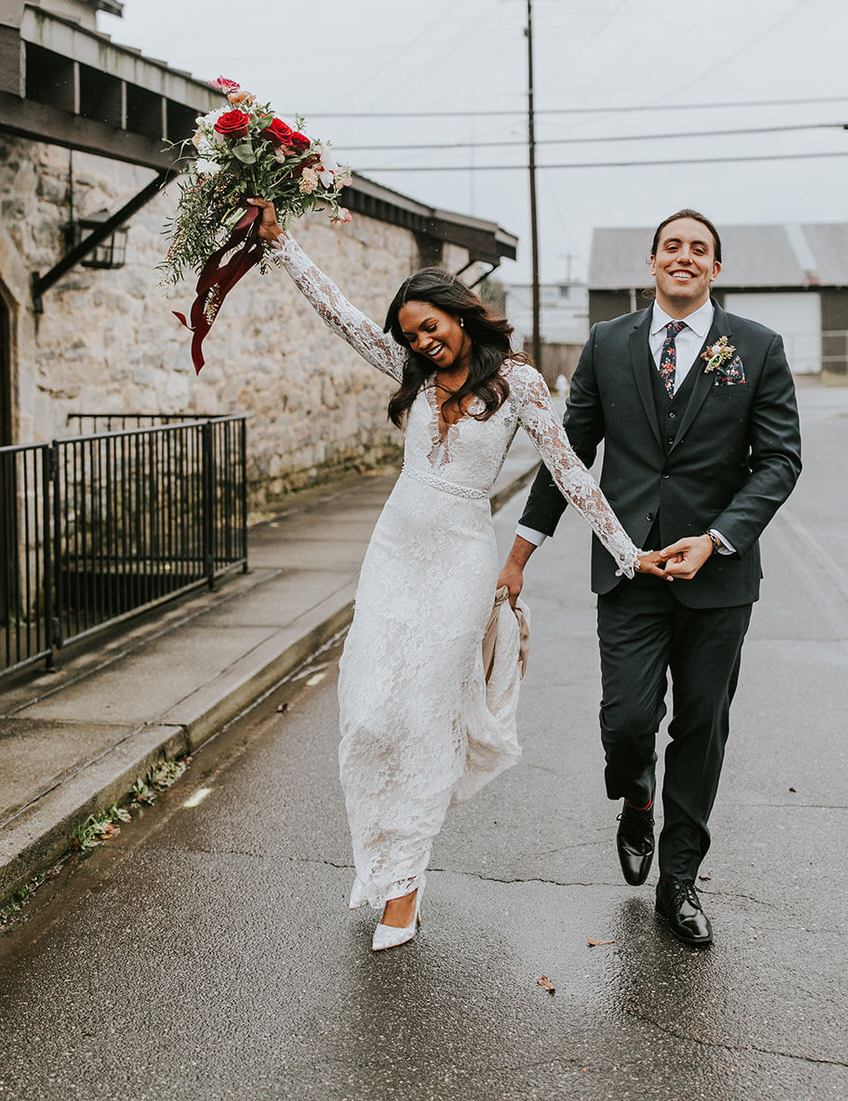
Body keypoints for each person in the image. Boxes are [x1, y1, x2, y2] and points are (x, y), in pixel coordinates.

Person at [250, 199, 673, 951]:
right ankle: (379, 858)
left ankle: (403, 888)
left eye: (430, 325)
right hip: (393, 552)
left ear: (460, 312)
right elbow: (341, 315)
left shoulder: (520, 385)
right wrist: (283, 246)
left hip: (460, 563)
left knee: (420, 716)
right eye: (411, 333)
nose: (422, 340)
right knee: (371, 710)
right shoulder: (409, 372)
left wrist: (624, 550)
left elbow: (571, 472)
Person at [499, 210, 802, 948]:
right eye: (674, 247)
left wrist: (720, 537)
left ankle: (680, 880)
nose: (686, 257)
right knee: (628, 722)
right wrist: (521, 552)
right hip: (628, 569)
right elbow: (569, 454)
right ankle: (636, 797)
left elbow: (780, 460)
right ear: (653, 262)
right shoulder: (608, 344)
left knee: (701, 728)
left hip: (717, 577)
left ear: (716, 269)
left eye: (700, 249)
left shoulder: (756, 348)